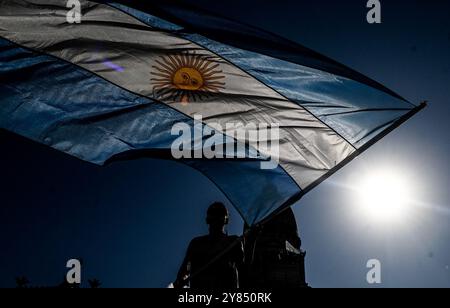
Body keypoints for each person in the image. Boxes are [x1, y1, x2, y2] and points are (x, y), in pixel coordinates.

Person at [174, 202, 244, 288]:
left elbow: (243, 266)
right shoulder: (196, 243)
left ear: (225, 220)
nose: (216, 218)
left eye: (220, 214)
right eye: (213, 214)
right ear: (208, 219)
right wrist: (180, 280)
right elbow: (185, 269)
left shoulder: (234, 241)